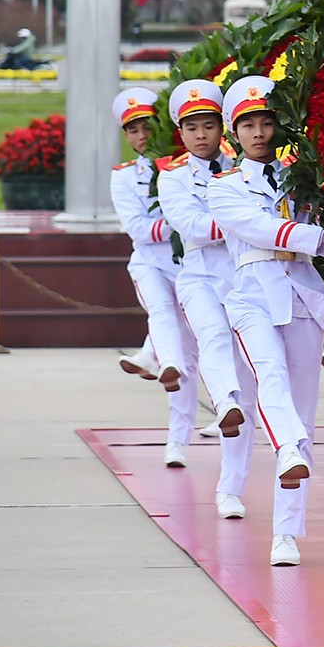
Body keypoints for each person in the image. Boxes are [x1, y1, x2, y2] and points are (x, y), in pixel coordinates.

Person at [212, 75, 324, 567]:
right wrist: (323, 240)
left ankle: (286, 533)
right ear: (233, 133)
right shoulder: (223, 187)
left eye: (266, 122)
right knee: (267, 375)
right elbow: (261, 229)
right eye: (247, 124)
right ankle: (286, 448)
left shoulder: (305, 178)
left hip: (304, 298)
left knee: (304, 409)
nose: (259, 133)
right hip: (252, 296)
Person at [157, 79, 255, 517]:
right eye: (192, 127)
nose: (201, 135)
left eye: (209, 125)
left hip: (244, 276)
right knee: (212, 337)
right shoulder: (173, 176)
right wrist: (240, 221)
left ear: (223, 129)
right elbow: (190, 225)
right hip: (198, 275)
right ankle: (224, 403)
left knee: (248, 374)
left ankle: (231, 487)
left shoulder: (246, 166)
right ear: (181, 133)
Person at [108, 88, 198, 463]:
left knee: (192, 357)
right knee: (160, 313)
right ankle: (164, 359)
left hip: (194, 268)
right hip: (150, 262)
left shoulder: (188, 167)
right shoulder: (124, 177)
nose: (141, 135)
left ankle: (179, 436)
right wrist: (180, 222)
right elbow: (139, 230)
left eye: (147, 125)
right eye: (132, 130)